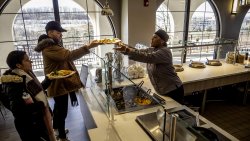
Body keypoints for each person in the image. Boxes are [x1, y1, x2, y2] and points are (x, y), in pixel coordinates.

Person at [34, 21, 101, 141]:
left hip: (59, 83)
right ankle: (62, 137)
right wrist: (88, 47)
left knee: (58, 109)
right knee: (62, 111)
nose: (61, 35)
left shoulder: (52, 45)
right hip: (58, 84)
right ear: (50, 33)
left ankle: (57, 130)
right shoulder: (50, 47)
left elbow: (65, 57)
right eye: (58, 32)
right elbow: (69, 55)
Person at [114, 29, 184, 104]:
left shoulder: (165, 52)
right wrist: (123, 46)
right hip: (162, 91)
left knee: (174, 114)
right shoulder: (152, 49)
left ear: (162, 41)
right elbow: (138, 51)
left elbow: (147, 57)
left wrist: (127, 50)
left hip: (173, 91)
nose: (151, 39)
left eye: (155, 37)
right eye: (152, 37)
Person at [0, 50, 56, 141]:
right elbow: (17, 110)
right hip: (29, 126)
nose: (31, 62)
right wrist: (40, 105)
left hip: (37, 121)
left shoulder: (26, 75)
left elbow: (36, 91)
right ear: (18, 65)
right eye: (27, 60)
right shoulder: (14, 82)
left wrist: (48, 80)